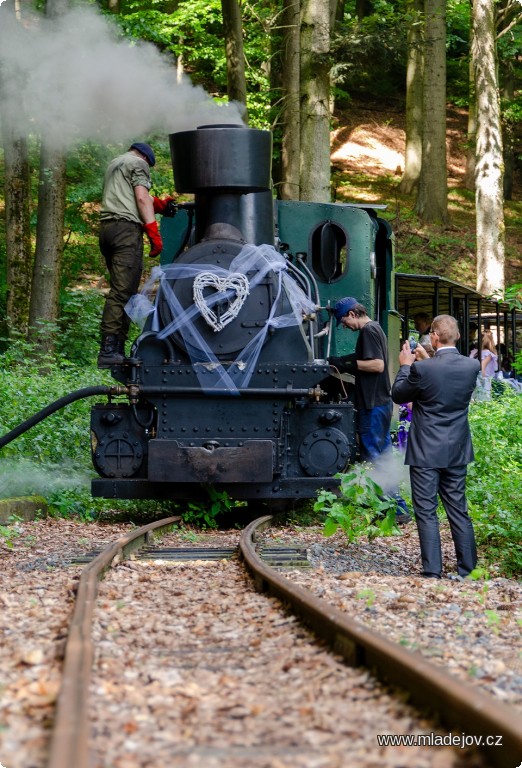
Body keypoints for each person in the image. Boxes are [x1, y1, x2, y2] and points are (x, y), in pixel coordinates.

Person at [391, 314, 480, 579]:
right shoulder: (471, 366)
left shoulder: (421, 369)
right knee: (458, 509)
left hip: (426, 451)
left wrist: (406, 365)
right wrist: (424, 363)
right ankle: (468, 570)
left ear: (434, 337)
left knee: (426, 511)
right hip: (457, 449)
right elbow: (443, 382)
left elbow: (399, 394)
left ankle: (432, 571)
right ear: (458, 337)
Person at [329, 296, 411, 524]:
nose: (344, 325)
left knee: (373, 457)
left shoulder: (369, 331)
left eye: (344, 320)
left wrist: (345, 364)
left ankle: (388, 510)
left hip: (373, 404)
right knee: (382, 458)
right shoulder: (374, 330)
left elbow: (377, 364)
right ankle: (398, 509)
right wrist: (340, 360)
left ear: (353, 314)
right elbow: (364, 358)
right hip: (380, 403)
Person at [98, 142, 175, 367]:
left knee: (124, 289)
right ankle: (109, 349)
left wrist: (159, 205)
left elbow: (136, 197)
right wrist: (153, 231)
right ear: (145, 157)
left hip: (107, 229)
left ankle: (117, 350)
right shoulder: (139, 164)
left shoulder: (116, 163)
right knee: (123, 292)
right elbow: (141, 197)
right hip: (125, 231)